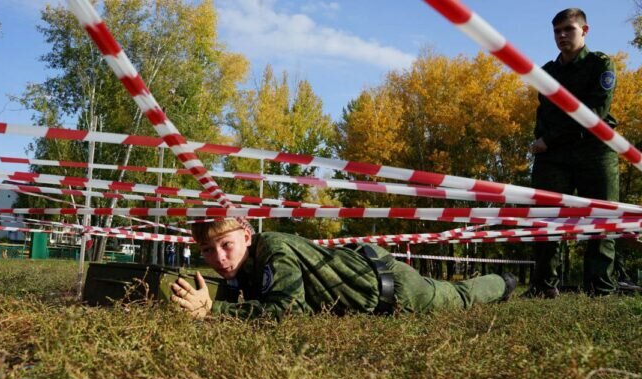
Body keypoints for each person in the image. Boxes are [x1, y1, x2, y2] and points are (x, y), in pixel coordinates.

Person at [170, 219, 516, 320]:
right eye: (207, 251)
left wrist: (215, 310)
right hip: (367, 267)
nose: (218, 257)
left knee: (460, 295)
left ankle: (503, 281)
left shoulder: (273, 250)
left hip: (394, 290)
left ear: (246, 235)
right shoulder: (248, 261)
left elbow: (289, 311)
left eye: (225, 245)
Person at [529, 8, 619, 298]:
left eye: (568, 29)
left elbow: (593, 114)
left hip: (595, 150)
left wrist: (549, 140)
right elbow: (543, 115)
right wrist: (540, 142)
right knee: (545, 220)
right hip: (554, 156)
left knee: (601, 222)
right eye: (557, 31)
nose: (562, 36)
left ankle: (600, 290)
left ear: (585, 31)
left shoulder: (600, 65)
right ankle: (543, 287)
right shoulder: (547, 72)